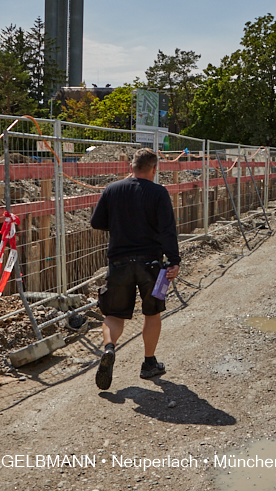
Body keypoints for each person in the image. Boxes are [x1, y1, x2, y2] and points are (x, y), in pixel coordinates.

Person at [89, 147, 180, 390]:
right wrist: (174, 261)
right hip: (152, 265)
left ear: (131, 166)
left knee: (114, 315)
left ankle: (109, 348)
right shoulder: (159, 193)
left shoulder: (112, 189)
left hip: (119, 263)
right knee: (152, 313)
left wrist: (121, 222)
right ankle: (149, 363)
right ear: (154, 169)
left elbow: (96, 222)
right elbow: (167, 230)